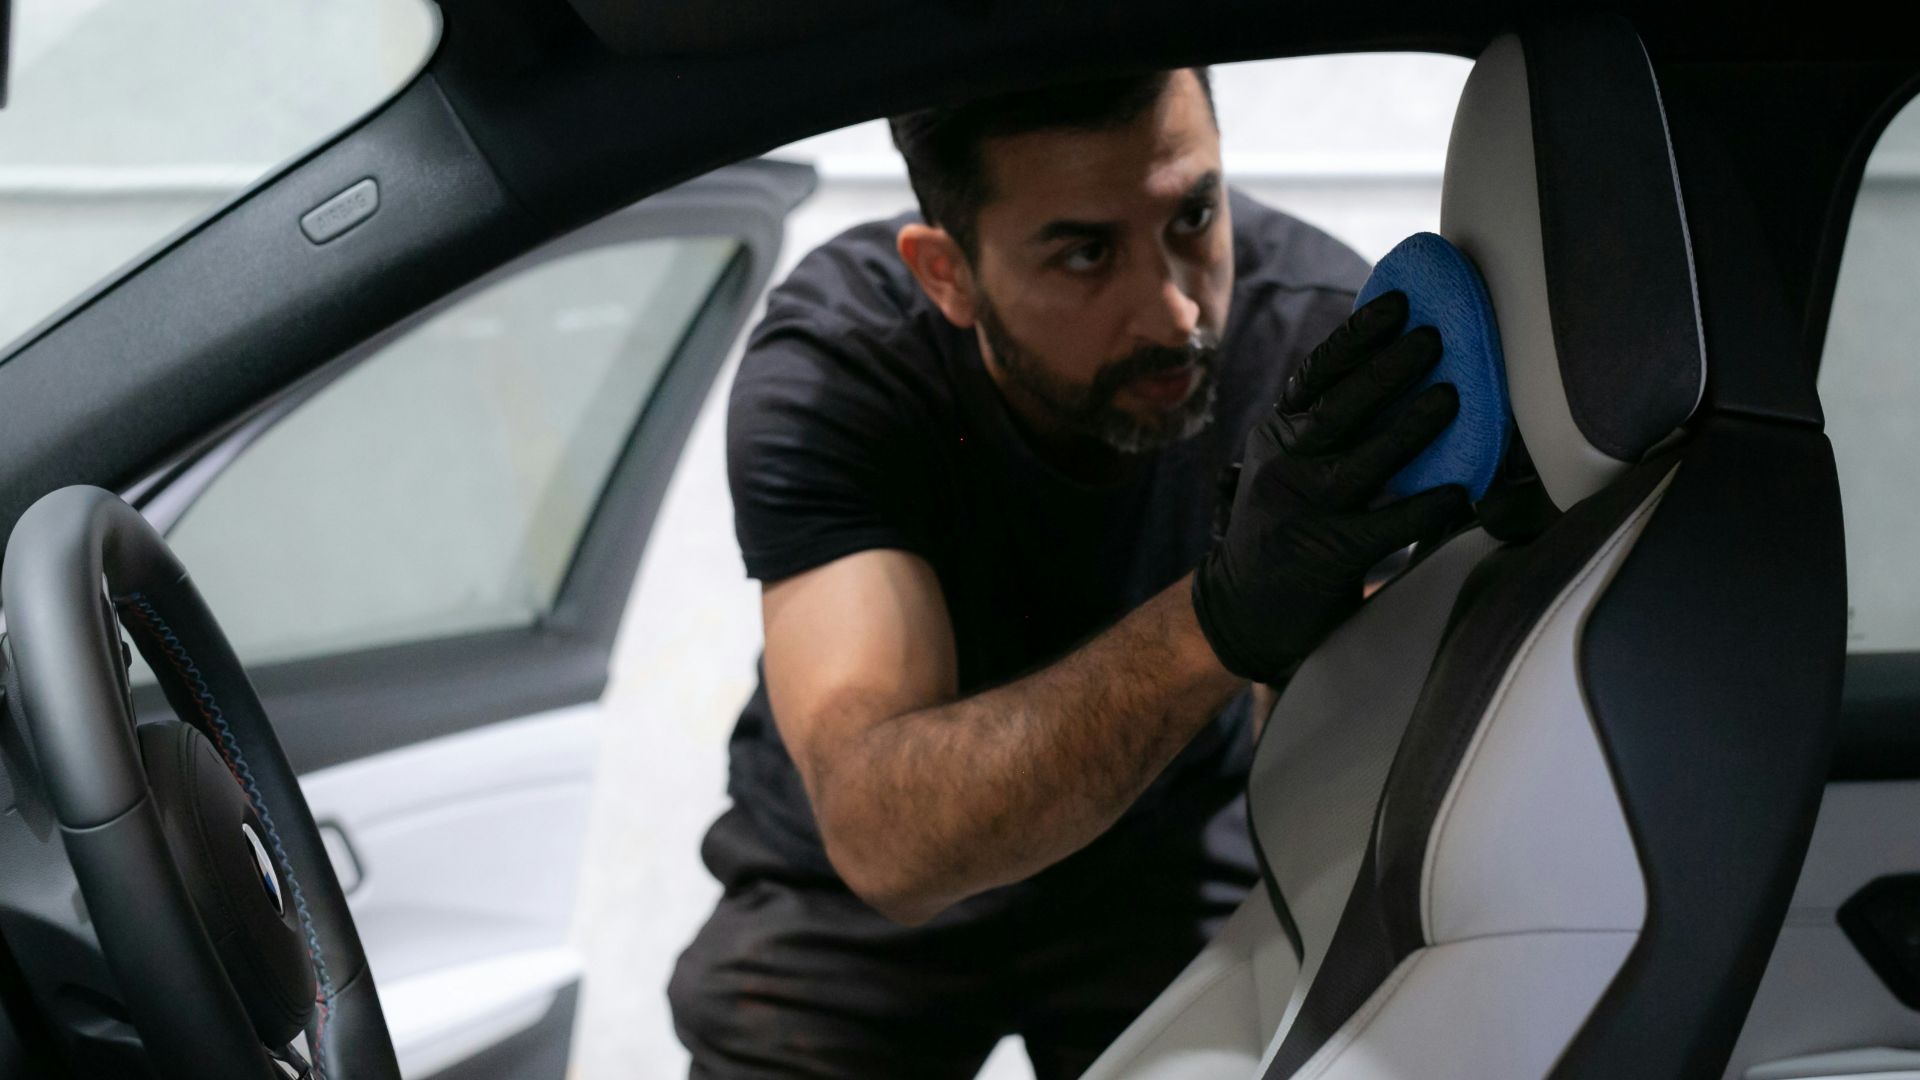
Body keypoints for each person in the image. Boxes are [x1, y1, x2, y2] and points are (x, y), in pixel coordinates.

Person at [669, 66, 1465, 1079]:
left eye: (1195, 215)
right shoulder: (844, 363)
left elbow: (1341, 762)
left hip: (1167, 861)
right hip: (856, 899)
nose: (1175, 311)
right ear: (946, 273)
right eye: (1087, 252)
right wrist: (1221, 617)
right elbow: (885, 844)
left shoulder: (1317, 340)